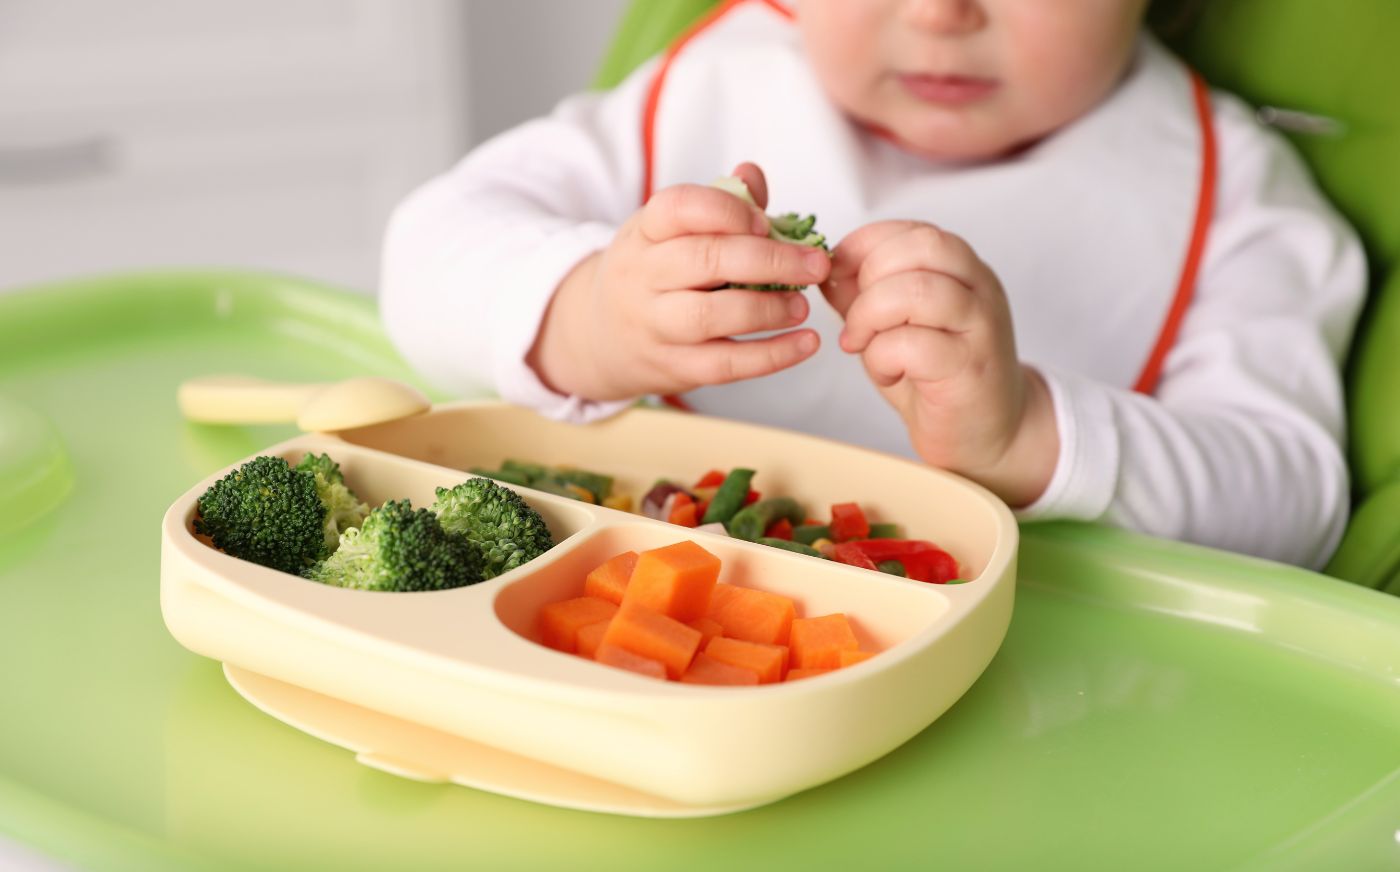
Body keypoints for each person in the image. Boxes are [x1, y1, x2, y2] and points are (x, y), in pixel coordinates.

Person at [380, 0, 1365, 569]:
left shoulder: (1230, 192)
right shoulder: (723, 82)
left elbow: (1293, 497)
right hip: (644, 607)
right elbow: (425, 248)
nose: (941, 14)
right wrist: (586, 312)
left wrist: (1026, 435)